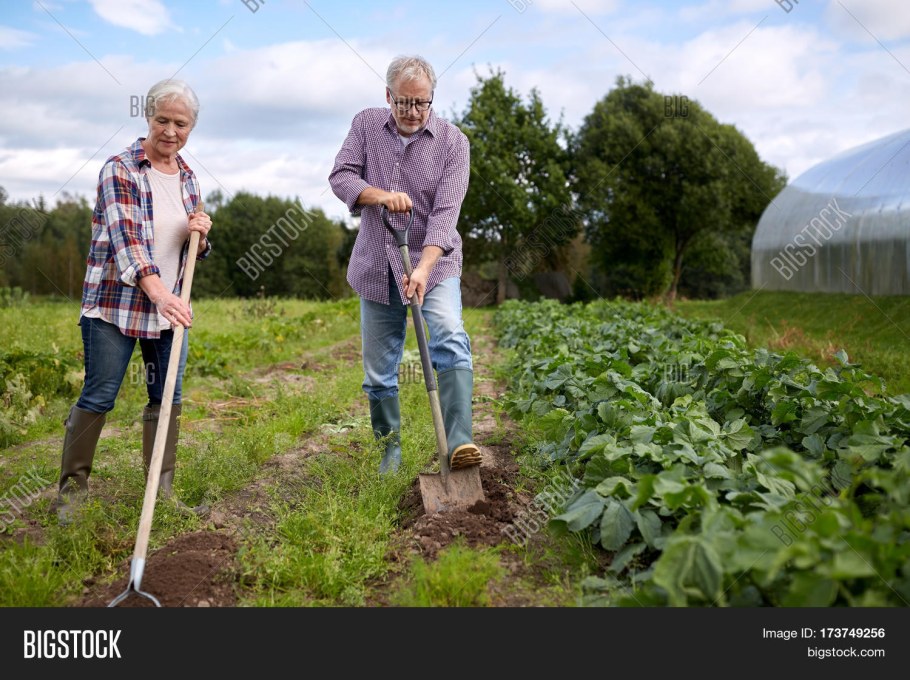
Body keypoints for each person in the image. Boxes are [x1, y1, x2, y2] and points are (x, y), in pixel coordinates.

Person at [52, 79, 212, 523]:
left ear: (191, 127)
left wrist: (200, 236)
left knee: (166, 395)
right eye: (162, 120)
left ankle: (161, 492)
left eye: (181, 123)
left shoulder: (187, 176)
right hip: (115, 305)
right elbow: (129, 244)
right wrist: (162, 295)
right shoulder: (119, 169)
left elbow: (183, 249)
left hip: (166, 307)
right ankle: (71, 494)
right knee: (100, 393)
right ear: (148, 118)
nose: (170, 131)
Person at [329, 55, 480, 475]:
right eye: (403, 103)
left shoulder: (454, 143)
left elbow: (446, 213)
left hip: (435, 262)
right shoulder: (365, 125)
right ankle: (390, 453)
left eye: (421, 103)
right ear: (388, 96)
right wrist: (379, 195)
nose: (412, 113)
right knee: (379, 370)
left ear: (432, 99)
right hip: (377, 262)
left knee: (448, 333)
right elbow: (340, 175)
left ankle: (459, 440)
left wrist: (424, 268)